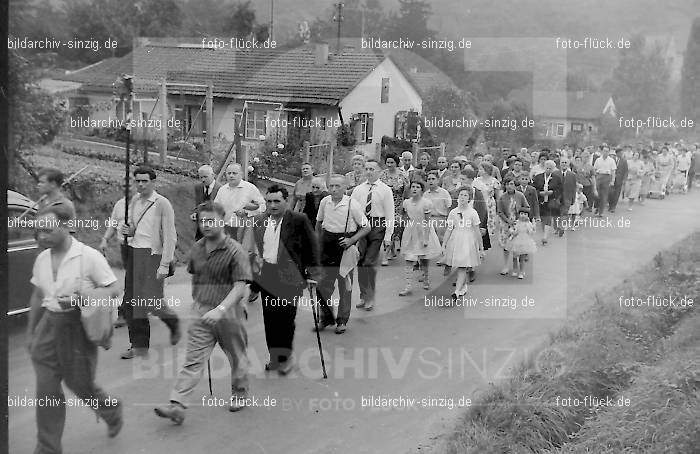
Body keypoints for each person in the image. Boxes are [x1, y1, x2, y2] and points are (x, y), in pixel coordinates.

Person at [27, 205, 123, 453]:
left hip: (77, 328)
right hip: (48, 327)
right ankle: (47, 448)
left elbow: (113, 290)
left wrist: (82, 298)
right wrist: (31, 333)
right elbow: (38, 296)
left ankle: (110, 411)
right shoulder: (41, 259)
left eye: (48, 230)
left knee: (80, 384)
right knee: (46, 390)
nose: (42, 236)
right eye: (39, 231)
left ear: (66, 226)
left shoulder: (88, 256)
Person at [154, 201, 253, 424]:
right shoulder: (197, 248)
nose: (206, 225)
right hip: (201, 311)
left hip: (228, 313)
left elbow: (240, 286)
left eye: (211, 220)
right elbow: (194, 274)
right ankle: (177, 405)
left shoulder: (235, 251)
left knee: (236, 357)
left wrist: (220, 309)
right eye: (202, 221)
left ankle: (240, 392)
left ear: (222, 221)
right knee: (193, 360)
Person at [250, 185, 321, 370]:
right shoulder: (259, 220)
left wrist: (313, 274)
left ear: (286, 201)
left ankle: (285, 357)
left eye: (277, 201)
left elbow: (312, 248)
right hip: (267, 275)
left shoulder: (298, 220)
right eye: (269, 201)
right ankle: (275, 357)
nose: (272, 205)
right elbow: (256, 249)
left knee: (286, 319)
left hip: (290, 276)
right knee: (270, 319)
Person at [118, 166, 180, 359]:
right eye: (138, 181)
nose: (141, 184)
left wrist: (164, 263)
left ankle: (172, 321)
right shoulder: (134, 201)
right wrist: (129, 230)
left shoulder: (162, 204)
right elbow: (134, 227)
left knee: (150, 301)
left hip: (153, 256)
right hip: (135, 253)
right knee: (130, 301)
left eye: (145, 181)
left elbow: (170, 237)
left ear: (153, 182)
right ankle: (138, 345)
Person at [314, 175, 370, 334]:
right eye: (331, 186)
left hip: (345, 247)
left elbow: (366, 227)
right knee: (323, 286)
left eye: (337, 186)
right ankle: (326, 317)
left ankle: (342, 320)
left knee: (345, 285)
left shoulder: (352, 204)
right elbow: (318, 223)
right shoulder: (325, 202)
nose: (333, 189)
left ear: (345, 187)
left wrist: (352, 240)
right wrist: (317, 243)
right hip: (327, 246)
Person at [351, 159, 395, 311]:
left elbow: (390, 214)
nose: (369, 171)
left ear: (379, 172)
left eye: (372, 169)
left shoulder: (385, 190)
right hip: (362, 226)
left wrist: (388, 236)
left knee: (369, 263)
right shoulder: (358, 190)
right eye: (367, 169)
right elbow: (353, 211)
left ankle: (370, 297)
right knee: (361, 262)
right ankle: (363, 296)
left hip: (378, 226)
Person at [398, 180, 442, 295]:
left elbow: (427, 221)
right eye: (413, 187)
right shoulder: (406, 202)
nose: (414, 189)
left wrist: (426, 238)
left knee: (424, 258)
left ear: (421, 190)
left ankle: (426, 278)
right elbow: (404, 216)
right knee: (409, 257)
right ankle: (408, 286)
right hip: (411, 231)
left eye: (417, 187)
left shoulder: (426, 203)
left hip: (423, 231)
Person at [449, 169, 489, 282]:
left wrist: (481, 226)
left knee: (471, 248)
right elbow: (453, 207)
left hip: (472, 224)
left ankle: (471, 269)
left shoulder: (477, 192)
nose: (461, 181)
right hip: (460, 224)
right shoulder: (458, 192)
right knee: (460, 249)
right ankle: (460, 275)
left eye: (463, 179)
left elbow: (482, 209)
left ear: (471, 180)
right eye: (460, 179)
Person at [442, 188, 482, 301]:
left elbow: (477, 230)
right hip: (456, 240)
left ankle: (457, 292)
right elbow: (449, 229)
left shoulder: (473, 213)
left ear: (469, 198)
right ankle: (463, 287)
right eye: (461, 195)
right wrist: (444, 243)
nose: (463, 197)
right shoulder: (453, 212)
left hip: (468, 240)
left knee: (462, 266)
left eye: (465, 195)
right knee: (460, 264)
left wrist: (481, 247)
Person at [214, 163, 266, 240]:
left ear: (241, 174)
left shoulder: (250, 188)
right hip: (224, 228)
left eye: (234, 173)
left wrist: (247, 212)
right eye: (229, 173)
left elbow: (263, 206)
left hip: (243, 229)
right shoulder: (222, 190)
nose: (231, 175)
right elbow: (215, 207)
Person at [380, 153, 409, 262]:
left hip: (397, 206)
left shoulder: (403, 175)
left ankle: (385, 255)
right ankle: (390, 250)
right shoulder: (382, 175)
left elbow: (406, 192)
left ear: (396, 163)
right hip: (384, 205)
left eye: (392, 162)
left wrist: (405, 207)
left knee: (393, 228)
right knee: (384, 228)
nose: (389, 164)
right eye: (388, 162)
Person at [497, 177, 530, 275]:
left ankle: (519, 268)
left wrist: (522, 218)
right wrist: (507, 221)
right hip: (506, 223)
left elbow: (527, 207)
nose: (509, 186)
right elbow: (500, 211)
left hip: (518, 223)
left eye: (511, 184)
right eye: (507, 184)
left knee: (518, 245)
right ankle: (506, 265)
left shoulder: (520, 195)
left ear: (515, 185)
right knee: (506, 245)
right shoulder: (502, 197)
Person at [532, 160, 563, 245]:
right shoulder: (538, 177)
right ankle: (544, 232)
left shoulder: (557, 178)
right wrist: (539, 193)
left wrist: (552, 192)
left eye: (550, 168)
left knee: (548, 217)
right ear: (544, 168)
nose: (548, 170)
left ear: (553, 169)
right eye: (547, 168)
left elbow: (560, 190)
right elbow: (533, 188)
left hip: (551, 201)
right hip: (540, 201)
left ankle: (545, 237)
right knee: (543, 218)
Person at [192, 165, 222, 241]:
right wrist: (195, 213)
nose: (203, 180)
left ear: (213, 175)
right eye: (201, 177)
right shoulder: (198, 187)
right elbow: (198, 204)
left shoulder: (221, 189)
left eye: (205, 177)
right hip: (201, 226)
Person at [507, 208, 537, 279]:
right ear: (519, 214)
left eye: (525, 214)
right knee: (514, 257)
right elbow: (511, 228)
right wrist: (512, 232)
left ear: (528, 216)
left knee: (522, 258)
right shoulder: (516, 222)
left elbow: (531, 232)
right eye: (522, 214)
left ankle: (521, 271)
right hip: (516, 241)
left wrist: (533, 225)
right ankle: (514, 269)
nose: (523, 215)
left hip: (524, 242)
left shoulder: (528, 224)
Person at [474, 163, 501, 238]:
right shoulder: (476, 181)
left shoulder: (494, 181)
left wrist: (499, 209)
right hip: (479, 202)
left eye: (481, 169)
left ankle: (489, 235)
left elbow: (498, 196)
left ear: (486, 170)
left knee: (490, 219)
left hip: (490, 204)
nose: (479, 171)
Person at [424, 171, 451, 242]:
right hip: (429, 220)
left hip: (441, 220)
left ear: (438, 180)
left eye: (433, 179)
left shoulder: (444, 193)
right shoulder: (425, 194)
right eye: (429, 179)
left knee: (441, 241)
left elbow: (449, 208)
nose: (431, 181)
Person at [592, 145, 616, 216]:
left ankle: (601, 211)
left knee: (604, 195)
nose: (606, 152)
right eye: (604, 151)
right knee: (596, 194)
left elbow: (613, 172)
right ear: (602, 151)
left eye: (607, 151)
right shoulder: (598, 160)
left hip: (607, 177)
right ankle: (597, 207)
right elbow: (594, 170)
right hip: (599, 176)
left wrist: (612, 181)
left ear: (609, 152)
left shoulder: (611, 160)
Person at [559, 157, 577, 233]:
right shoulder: (555, 173)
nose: (564, 164)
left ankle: (561, 227)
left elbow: (574, 187)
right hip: (557, 198)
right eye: (562, 162)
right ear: (560, 164)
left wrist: (573, 198)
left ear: (568, 164)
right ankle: (558, 226)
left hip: (567, 197)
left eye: (565, 162)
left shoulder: (572, 175)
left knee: (564, 212)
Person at [608, 147, 628, 213]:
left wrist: (624, 180)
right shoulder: (611, 159)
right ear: (617, 153)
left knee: (617, 193)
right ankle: (610, 205)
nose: (621, 154)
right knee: (610, 193)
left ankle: (613, 207)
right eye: (620, 153)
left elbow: (626, 171)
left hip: (619, 179)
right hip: (611, 179)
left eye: (622, 153)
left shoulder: (624, 161)